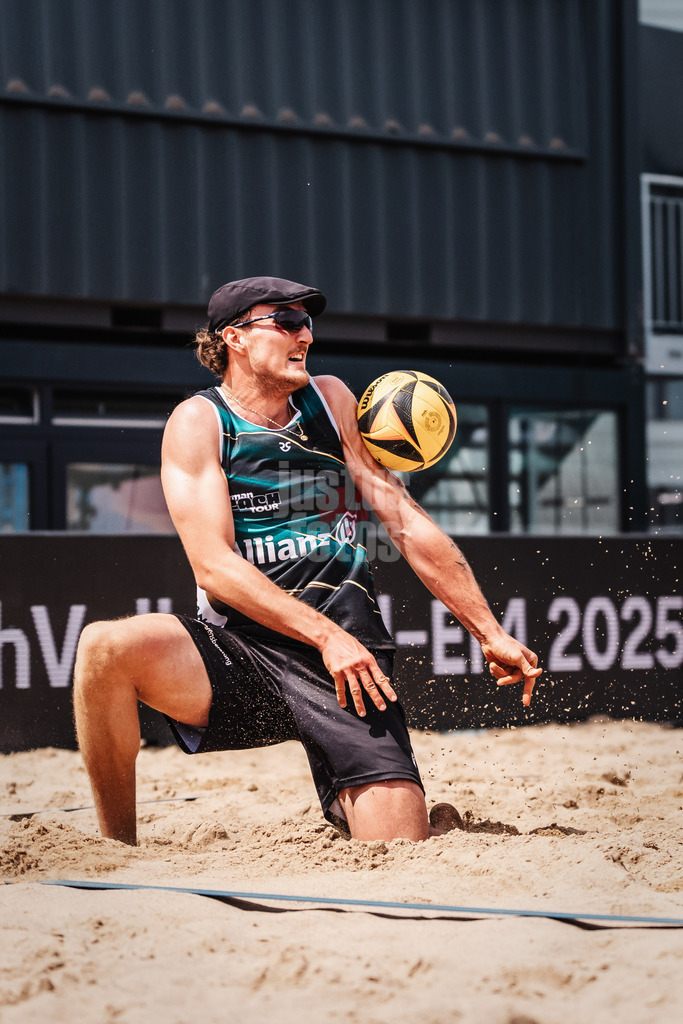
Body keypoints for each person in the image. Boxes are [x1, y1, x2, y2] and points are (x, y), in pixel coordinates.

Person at [73, 276, 542, 847]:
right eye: (287, 322)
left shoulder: (330, 398)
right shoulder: (200, 422)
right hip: (244, 649)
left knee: (398, 845)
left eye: (308, 324)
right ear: (235, 338)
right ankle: (116, 848)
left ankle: (353, 793)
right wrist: (322, 636)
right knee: (104, 649)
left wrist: (489, 630)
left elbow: (405, 520)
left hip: (348, 658)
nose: (305, 336)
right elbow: (213, 566)